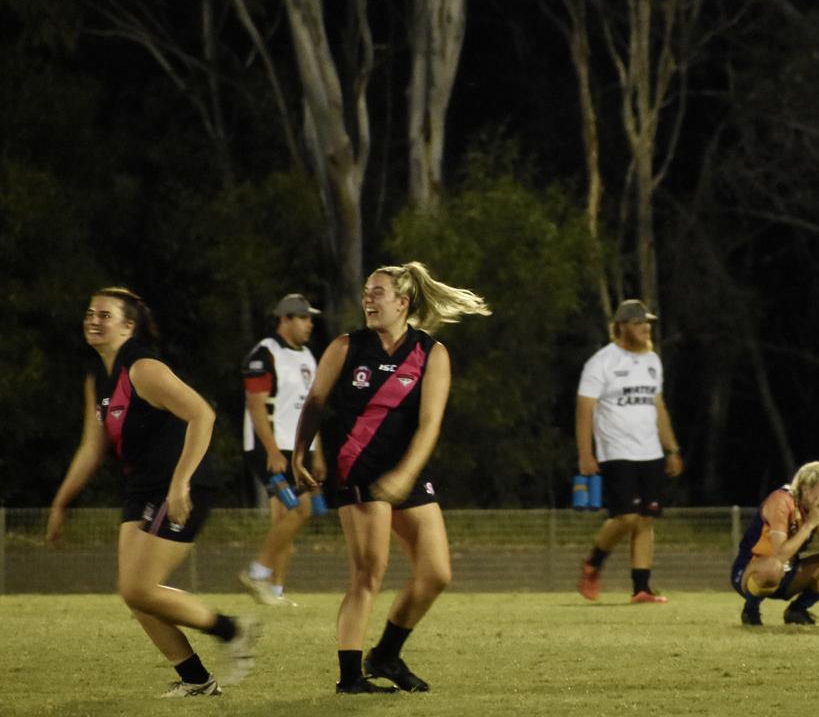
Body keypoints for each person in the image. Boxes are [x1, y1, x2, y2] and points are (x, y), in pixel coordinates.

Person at [45, 287, 258, 697]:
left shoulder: (142, 367)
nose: (93, 319)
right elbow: (92, 447)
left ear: (128, 326)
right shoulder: (98, 378)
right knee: (136, 593)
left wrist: (180, 484)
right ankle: (196, 680)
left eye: (104, 315)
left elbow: (203, 414)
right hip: (142, 488)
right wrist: (61, 502)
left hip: (181, 483)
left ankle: (233, 630)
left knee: (139, 587)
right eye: (90, 312)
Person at [292, 261, 489, 695]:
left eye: (377, 292)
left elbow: (430, 424)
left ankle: (385, 655)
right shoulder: (347, 346)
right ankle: (350, 679)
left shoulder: (431, 353)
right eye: (366, 292)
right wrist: (300, 453)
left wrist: (405, 474)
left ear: (403, 302)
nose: (368, 299)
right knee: (368, 573)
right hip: (358, 469)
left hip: (407, 472)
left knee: (436, 573)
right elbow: (316, 403)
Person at [575, 299, 684, 604]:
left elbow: (658, 406)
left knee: (646, 519)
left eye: (647, 322)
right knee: (626, 517)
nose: (645, 328)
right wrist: (586, 453)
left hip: (650, 452)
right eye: (638, 323)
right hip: (616, 451)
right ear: (622, 326)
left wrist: (671, 448)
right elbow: (584, 410)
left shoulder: (652, 360)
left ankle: (641, 588)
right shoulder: (602, 362)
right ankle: (593, 563)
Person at [238, 293, 323, 607]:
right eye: (303, 318)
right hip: (270, 447)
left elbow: (312, 410)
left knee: (285, 520)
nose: (309, 324)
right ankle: (257, 572)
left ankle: (274, 591)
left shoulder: (308, 357)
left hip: (297, 448)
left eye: (310, 318)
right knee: (301, 510)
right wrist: (272, 451)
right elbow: (256, 406)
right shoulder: (265, 354)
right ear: (285, 319)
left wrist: (318, 453)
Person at [730, 461, 819, 626]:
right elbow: (779, 555)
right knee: (774, 567)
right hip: (753, 569)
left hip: (789, 570)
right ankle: (751, 611)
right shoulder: (782, 500)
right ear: (805, 488)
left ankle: (797, 610)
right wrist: (809, 524)